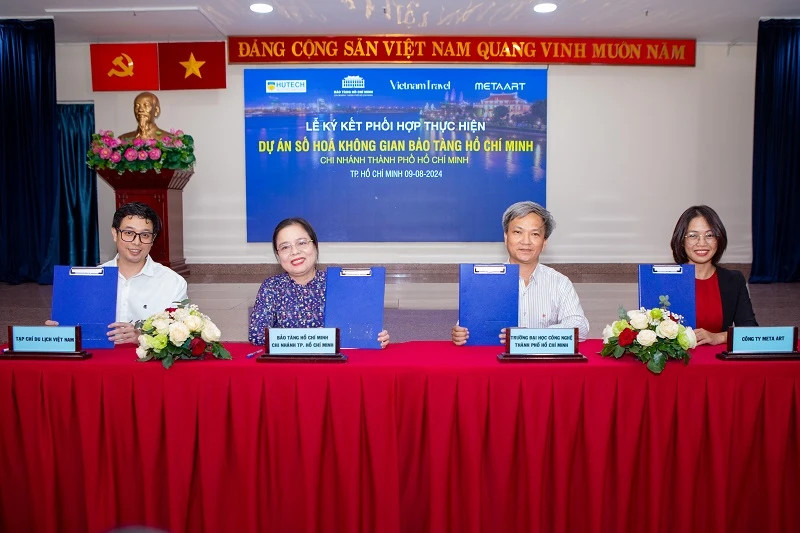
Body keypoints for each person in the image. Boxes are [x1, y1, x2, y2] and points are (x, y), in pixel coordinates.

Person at [451, 201, 589, 345]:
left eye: (535, 234)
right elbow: (466, 327)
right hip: (496, 363)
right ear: (506, 237)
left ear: (545, 241)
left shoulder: (559, 282)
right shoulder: (484, 281)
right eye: (518, 232)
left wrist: (527, 337)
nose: (526, 241)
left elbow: (580, 328)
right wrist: (460, 334)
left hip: (542, 363)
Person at [48, 202, 187, 344]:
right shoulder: (88, 280)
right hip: (99, 361)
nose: (136, 242)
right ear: (115, 234)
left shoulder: (173, 282)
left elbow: (181, 334)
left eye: (145, 235)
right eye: (128, 233)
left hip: (148, 362)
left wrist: (142, 336)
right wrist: (59, 331)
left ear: (153, 239)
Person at [248, 217, 390, 348]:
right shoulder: (271, 287)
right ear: (278, 255)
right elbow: (256, 335)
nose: (295, 252)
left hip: (333, 367)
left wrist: (376, 336)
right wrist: (314, 339)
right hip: (290, 366)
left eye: (302, 243)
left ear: (315, 246)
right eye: (285, 247)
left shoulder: (337, 283)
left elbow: (358, 328)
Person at [670, 205, 757, 345]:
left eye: (709, 235)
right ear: (681, 240)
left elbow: (750, 331)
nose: (702, 243)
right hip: (676, 364)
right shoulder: (665, 279)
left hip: (717, 361)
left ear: (719, 239)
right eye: (693, 235)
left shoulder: (733, 280)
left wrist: (718, 337)